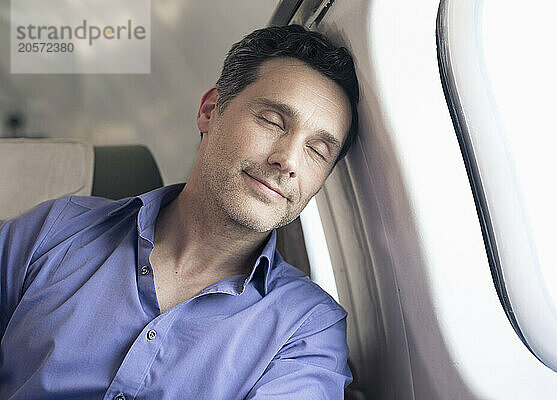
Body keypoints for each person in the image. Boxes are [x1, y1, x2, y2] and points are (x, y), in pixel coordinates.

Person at [0, 24, 359, 399]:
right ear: (210, 111)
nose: (288, 160)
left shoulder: (308, 330)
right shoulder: (51, 231)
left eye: (317, 150)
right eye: (272, 121)